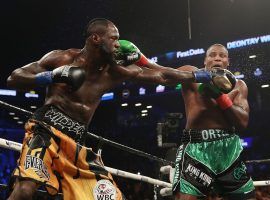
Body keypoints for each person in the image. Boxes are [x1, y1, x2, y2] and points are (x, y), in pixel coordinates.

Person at [6, 18, 221, 200]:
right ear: (96, 39)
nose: (119, 44)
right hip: (44, 131)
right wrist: (51, 76)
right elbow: (14, 78)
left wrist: (199, 75)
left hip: (77, 143)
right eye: (114, 38)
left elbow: (162, 76)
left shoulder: (116, 71)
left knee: (111, 196)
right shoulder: (62, 58)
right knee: (26, 190)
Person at [171, 44, 255, 200]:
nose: (217, 58)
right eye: (212, 55)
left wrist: (220, 97)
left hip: (228, 148)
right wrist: (141, 61)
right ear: (205, 60)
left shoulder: (239, 85)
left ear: (228, 62)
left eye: (222, 56)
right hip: (196, 148)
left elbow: (243, 123)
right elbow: (162, 75)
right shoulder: (191, 74)